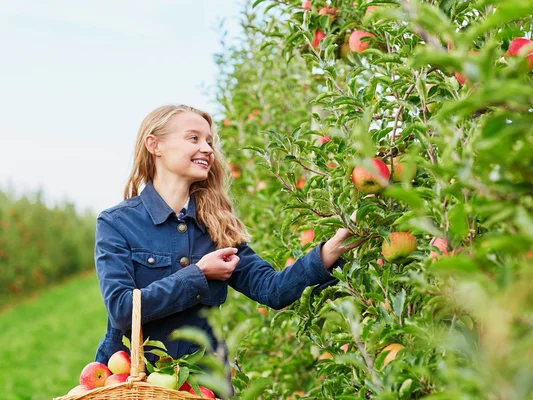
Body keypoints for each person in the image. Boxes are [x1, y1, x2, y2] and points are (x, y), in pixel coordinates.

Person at [93, 105, 363, 398]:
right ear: (155, 145)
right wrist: (198, 274)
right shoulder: (118, 223)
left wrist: (329, 250)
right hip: (132, 385)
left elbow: (273, 290)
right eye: (193, 138)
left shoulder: (217, 225)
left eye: (209, 141)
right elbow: (121, 310)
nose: (207, 148)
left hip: (203, 386)